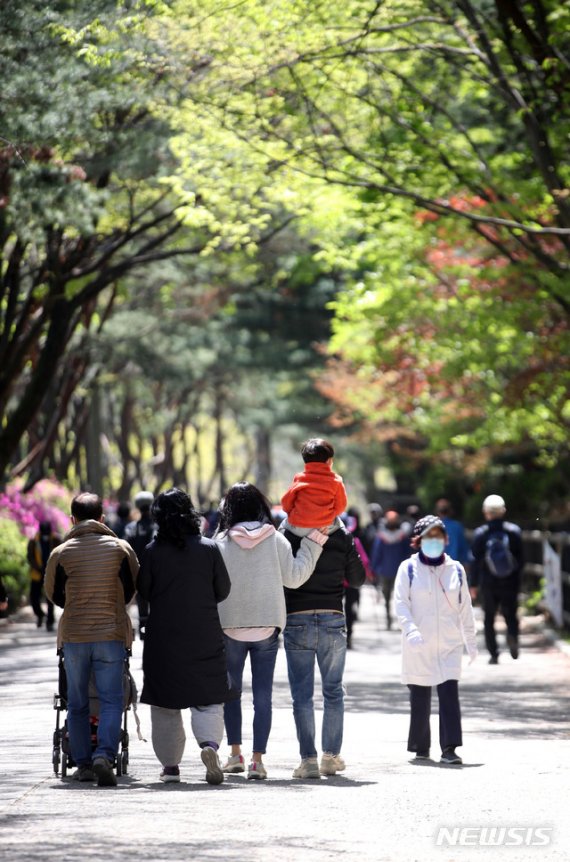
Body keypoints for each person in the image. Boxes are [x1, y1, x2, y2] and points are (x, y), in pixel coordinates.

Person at [214, 482, 327, 780]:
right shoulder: (275, 539)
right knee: (262, 696)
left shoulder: (221, 542)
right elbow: (295, 577)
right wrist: (314, 543)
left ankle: (235, 755)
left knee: (230, 693)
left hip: (229, 626)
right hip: (266, 626)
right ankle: (257, 761)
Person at [137, 488, 235, 786]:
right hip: (203, 631)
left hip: (163, 636)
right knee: (208, 698)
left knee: (165, 704)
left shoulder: (152, 552)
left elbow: (143, 591)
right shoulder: (209, 549)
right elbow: (223, 590)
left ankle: (170, 767)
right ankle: (209, 747)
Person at [45, 493, 139, 787]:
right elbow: (132, 587)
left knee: (76, 702)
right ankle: (105, 755)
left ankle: (83, 764)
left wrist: (75, 607)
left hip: (74, 637)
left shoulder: (61, 553)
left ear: (72, 519)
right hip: (110, 635)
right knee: (112, 699)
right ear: (102, 518)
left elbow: (54, 593)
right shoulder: (120, 549)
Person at [280, 512, 366, 778]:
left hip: (296, 618)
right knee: (333, 690)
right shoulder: (341, 535)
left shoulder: (286, 534)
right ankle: (330, 756)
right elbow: (358, 579)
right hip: (332, 617)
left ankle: (308, 761)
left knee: (301, 695)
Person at [394, 515, 477, 765]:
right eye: (429, 537)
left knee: (449, 693)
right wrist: (410, 630)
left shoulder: (456, 569)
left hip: (450, 643)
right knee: (420, 694)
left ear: (445, 540)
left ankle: (449, 747)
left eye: (438, 537)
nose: (434, 542)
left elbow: (466, 608)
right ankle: (420, 745)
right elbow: (400, 603)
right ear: (418, 541)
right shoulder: (408, 569)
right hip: (419, 642)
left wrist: (471, 642)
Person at [470, 494, 524, 665]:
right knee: (511, 614)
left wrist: (473, 584)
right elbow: (521, 560)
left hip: (488, 581)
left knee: (489, 618)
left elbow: (476, 561)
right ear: (503, 511)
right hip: (510, 580)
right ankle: (512, 636)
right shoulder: (513, 531)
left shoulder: (481, 533)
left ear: (486, 512)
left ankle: (494, 653)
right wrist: (516, 578)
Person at [281, 438, 348, 529]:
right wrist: (328, 516)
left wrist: (294, 513)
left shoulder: (299, 478)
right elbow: (341, 507)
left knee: (282, 527)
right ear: (329, 461)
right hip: (325, 526)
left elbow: (286, 503)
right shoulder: (336, 481)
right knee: (343, 530)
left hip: (298, 525)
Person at [370, 511, 411, 630]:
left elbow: (376, 555)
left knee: (389, 597)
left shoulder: (381, 537)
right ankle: (396, 620)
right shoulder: (402, 537)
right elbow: (407, 554)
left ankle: (389, 619)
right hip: (398, 571)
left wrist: (374, 569)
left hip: (386, 571)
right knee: (398, 597)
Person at [124, 491, 156, 640]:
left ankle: (142, 632)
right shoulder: (157, 527)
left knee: (142, 609)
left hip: (136, 573)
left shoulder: (131, 528)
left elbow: (126, 550)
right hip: (156, 574)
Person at [344, 507, 372, 648]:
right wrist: (367, 573)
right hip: (351, 582)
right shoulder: (355, 540)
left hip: (335, 582)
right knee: (349, 609)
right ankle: (348, 637)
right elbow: (365, 561)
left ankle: (340, 635)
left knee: (336, 610)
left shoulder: (329, 539)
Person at [27, 520, 60, 631]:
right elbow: (30, 556)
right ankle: (40, 614)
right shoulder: (33, 541)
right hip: (37, 574)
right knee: (33, 598)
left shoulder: (56, 539)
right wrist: (38, 568)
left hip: (50, 573)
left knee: (49, 598)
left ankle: (50, 622)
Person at [434, 499, 470, 570]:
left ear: (437, 511)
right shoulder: (457, 526)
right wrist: (466, 563)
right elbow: (463, 547)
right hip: (454, 567)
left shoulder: (432, 527)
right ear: (450, 511)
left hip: (436, 567)